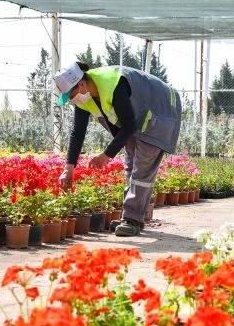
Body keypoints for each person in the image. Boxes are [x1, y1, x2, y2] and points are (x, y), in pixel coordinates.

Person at [54, 61, 182, 237]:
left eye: (70, 95)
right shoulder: (84, 98)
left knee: (142, 169)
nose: (70, 99)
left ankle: (132, 219)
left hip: (160, 111)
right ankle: (132, 217)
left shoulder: (113, 83)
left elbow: (129, 126)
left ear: (81, 84)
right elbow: (77, 132)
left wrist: (105, 155)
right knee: (131, 166)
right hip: (137, 118)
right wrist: (68, 168)